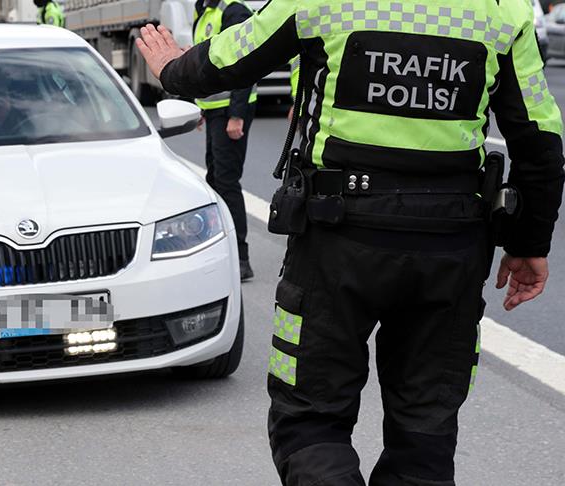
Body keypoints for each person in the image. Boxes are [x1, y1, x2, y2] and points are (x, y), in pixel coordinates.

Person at [136, 0, 564, 484]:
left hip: (336, 238)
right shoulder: (504, 10)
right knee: (425, 431)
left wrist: (172, 70)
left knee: (310, 421)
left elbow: (230, 58)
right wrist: (529, 243)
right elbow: (541, 139)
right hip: (451, 248)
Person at [192, 0, 258, 281]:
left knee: (227, 183)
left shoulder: (233, 10)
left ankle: (241, 258)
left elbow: (245, 65)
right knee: (215, 180)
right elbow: (202, 63)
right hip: (214, 110)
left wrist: (237, 115)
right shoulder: (204, 10)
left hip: (230, 110)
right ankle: (222, 249)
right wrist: (198, 107)